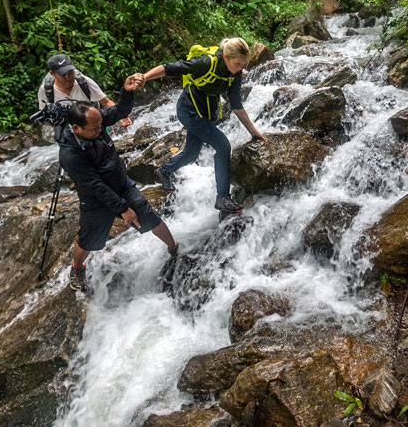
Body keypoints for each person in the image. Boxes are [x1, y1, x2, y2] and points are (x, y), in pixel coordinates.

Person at [57, 73, 177, 293]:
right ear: (76, 128)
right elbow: (95, 185)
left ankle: (174, 247)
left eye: (100, 125)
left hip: (121, 184)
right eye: (94, 129)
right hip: (95, 199)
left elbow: (120, 111)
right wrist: (123, 209)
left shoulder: (95, 120)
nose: (100, 130)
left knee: (150, 217)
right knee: (88, 239)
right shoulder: (70, 155)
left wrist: (127, 91)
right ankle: (77, 267)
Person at [141, 38, 267, 213]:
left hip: (206, 113)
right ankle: (223, 197)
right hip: (188, 111)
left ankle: (164, 171)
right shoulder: (206, 63)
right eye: (238, 64)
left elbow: (236, 104)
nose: (241, 68)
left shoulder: (235, 73)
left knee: (191, 154)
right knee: (223, 146)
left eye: (243, 64)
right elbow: (170, 68)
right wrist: (144, 77)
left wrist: (254, 132)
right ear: (226, 56)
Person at [39, 53, 132, 127]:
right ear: (52, 74)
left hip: (92, 125)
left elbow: (105, 102)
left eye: (70, 72)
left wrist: (121, 117)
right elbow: (45, 116)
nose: (67, 77)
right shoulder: (46, 90)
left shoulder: (84, 82)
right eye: (63, 75)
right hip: (66, 132)